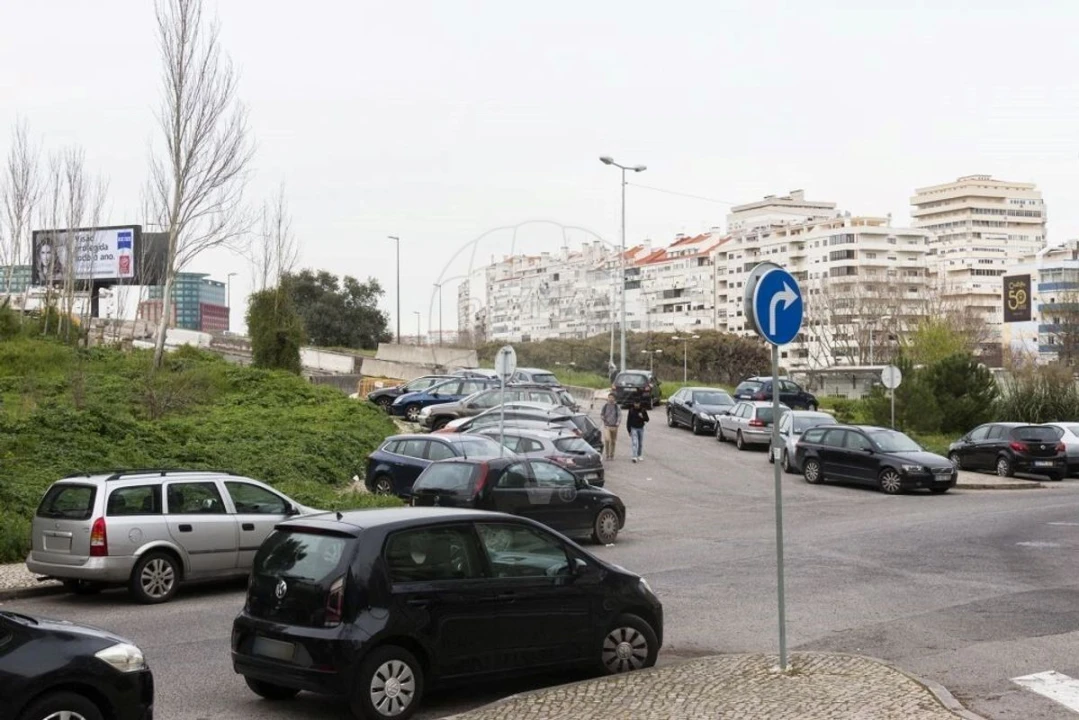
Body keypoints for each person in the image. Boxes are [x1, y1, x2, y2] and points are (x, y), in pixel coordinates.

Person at [600, 392, 621, 460]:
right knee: (607, 439)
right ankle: (607, 454)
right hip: (607, 426)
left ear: (614, 398)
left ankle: (612, 454)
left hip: (614, 426)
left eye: (612, 397)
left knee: (613, 441)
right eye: (609, 397)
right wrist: (602, 417)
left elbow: (619, 415)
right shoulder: (605, 405)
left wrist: (618, 422)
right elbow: (602, 414)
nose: (610, 399)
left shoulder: (616, 406)